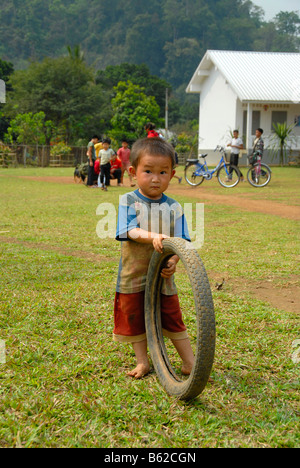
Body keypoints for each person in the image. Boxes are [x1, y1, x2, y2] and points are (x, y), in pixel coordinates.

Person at [114, 137, 194, 379]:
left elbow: (182, 240)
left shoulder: (175, 207)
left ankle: (190, 362)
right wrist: (153, 236)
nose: (155, 178)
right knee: (134, 317)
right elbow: (128, 230)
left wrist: (174, 261)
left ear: (172, 174)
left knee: (173, 317)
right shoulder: (128, 201)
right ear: (133, 172)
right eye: (148, 171)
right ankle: (142, 362)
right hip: (133, 274)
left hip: (162, 276)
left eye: (163, 172)